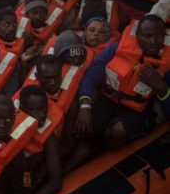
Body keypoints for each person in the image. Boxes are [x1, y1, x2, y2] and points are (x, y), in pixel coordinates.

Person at [66, 14, 170, 172]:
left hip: (136, 111)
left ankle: (100, 152)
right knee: (88, 125)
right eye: (148, 36)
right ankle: (81, 152)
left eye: (159, 36)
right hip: (108, 98)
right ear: (138, 35)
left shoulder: (167, 64)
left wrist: (161, 87)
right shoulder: (118, 48)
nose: (154, 41)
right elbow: (93, 72)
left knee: (117, 132)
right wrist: (85, 106)